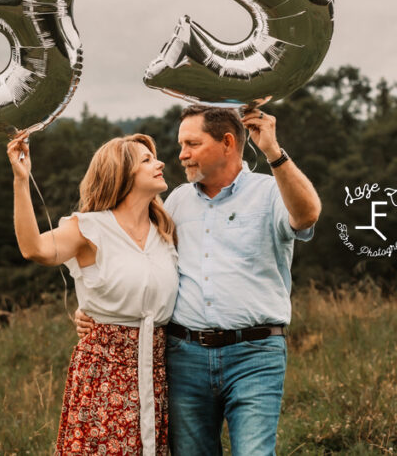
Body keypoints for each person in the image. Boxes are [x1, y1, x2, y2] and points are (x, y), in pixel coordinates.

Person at [77, 105, 321, 455]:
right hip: (184, 355)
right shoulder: (174, 202)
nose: (182, 155)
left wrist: (273, 152)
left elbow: (308, 214)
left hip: (255, 354)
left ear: (226, 143)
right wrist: (94, 313)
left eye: (191, 143)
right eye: (180, 144)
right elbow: (133, 261)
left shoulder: (269, 192)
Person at [8, 132, 179, 455]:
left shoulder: (166, 228)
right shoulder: (88, 228)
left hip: (157, 372)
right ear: (122, 174)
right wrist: (21, 180)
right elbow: (35, 250)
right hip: (103, 374)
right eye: (147, 160)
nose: (160, 163)